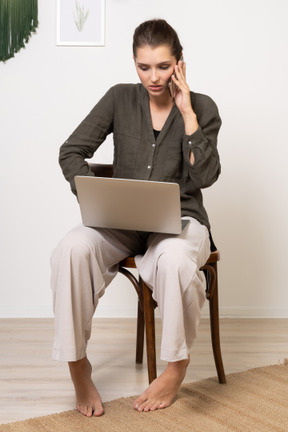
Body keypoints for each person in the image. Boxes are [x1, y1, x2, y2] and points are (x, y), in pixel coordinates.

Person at [51, 18, 221, 417]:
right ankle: (78, 366)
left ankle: (176, 366)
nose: (153, 77)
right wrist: (94, 194)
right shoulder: (118, 98)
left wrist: (187, 113)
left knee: (176, 260)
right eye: (144, 67)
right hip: (122, 221)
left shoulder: (204, 107)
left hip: (181, 223)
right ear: (134, 63)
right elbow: (70, 151)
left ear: (179, 63)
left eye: (163, 66)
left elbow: (205, 176)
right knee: (71, 249)